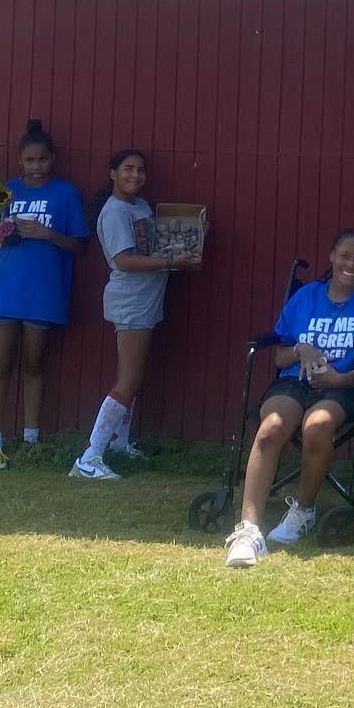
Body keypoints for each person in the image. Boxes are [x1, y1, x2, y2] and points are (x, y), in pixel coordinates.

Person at [226, 230, 354, 567]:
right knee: (271, 427)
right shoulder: (305, 297)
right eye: (344, 255)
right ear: (331, 256)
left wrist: (341, 377)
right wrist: (301, 349)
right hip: (295, 382)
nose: (350, 263)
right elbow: (278, 357)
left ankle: (303, 509)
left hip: (344, 387)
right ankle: (248, 531)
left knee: (317, 425)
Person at [71, 148, 200, 481]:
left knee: (133, 377)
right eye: (127, 169)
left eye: (141, 170)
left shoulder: (140, 206)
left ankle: (118, 443)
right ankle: (90, 456)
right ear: (112, 173)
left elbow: (155, 246)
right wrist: (174, 263)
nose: (135, 175)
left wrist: (195, 235)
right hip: (130, 300)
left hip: (147, 299)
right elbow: (125, 260)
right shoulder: (113, 213)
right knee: (127, 381)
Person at [0, 119, 88, 470]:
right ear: (20, 161)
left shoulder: (65, 193)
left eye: (42, 160)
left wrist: (45, 233)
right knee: (0, 362)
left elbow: (78, 244)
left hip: (44, 288)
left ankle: (31, 440)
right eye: (30, 160)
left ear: (52, 159)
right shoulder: (3, 191)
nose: (36, 167)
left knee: (35, 363)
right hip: (6, 286)